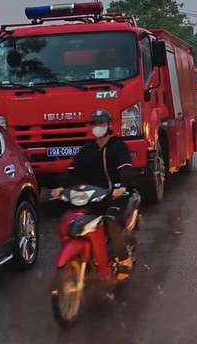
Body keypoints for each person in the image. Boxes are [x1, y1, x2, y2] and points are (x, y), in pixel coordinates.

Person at [51, 108, 136, 281]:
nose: (98, 127)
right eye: (95, 124)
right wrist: (61, 187)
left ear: (109, 125)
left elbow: (126, 169)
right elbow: (73, 170)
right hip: (92, 197)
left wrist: (122, 187)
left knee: (110, 220)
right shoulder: (87, 150)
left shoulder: (118, 147)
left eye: (101, 123)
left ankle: (124, 258)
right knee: (70, 218)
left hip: (115, 196)